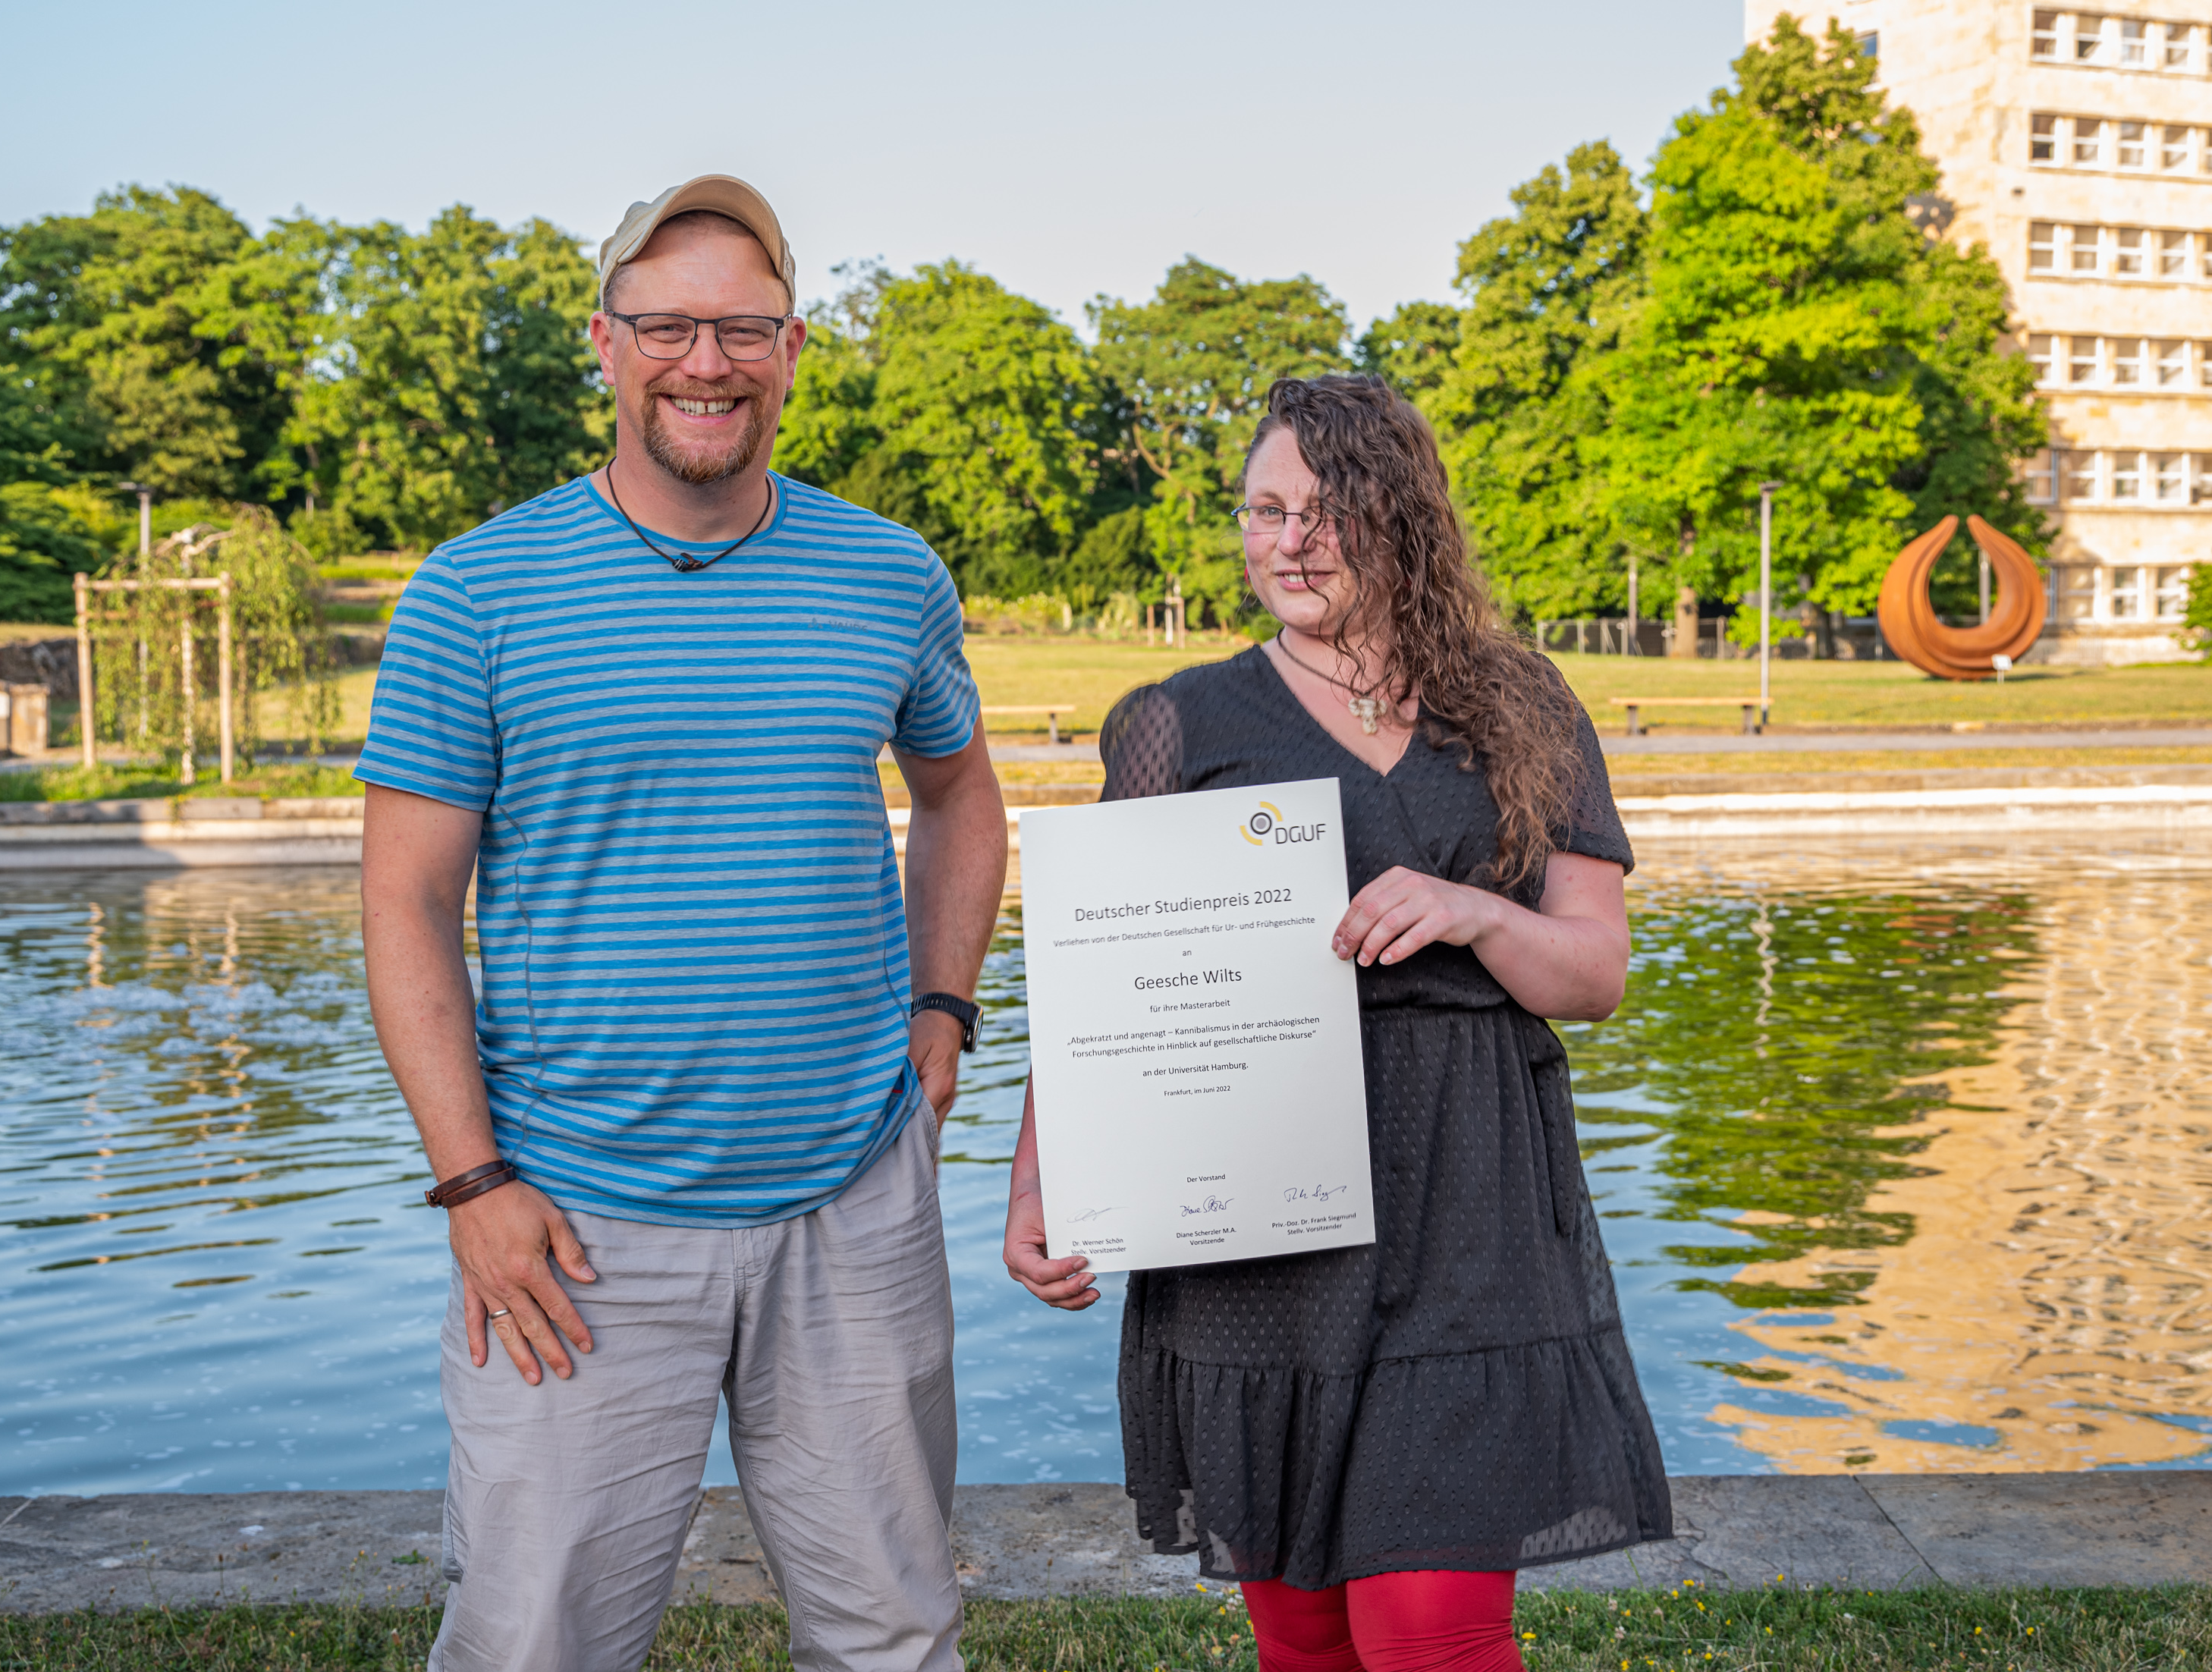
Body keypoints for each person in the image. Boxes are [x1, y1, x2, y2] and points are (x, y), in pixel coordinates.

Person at [359, 174, 1007, 1672]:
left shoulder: (889, 572)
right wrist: (472, 1186)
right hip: (570, 1222)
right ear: (605, 342)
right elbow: (405, 902)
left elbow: (964, 800)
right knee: (535, 1643)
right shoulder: (478, 590)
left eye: (741, 328)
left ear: (791, 348)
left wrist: (944, 1007)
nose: (703, 361)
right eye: (667, 326)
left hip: (854, 1205)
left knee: (897, 1634)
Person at [1002, 375, 1670, 1672]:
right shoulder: (1176, 721)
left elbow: (1593, 974)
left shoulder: (1522, 706)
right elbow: (1106, 981)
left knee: (1432, 1638)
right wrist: (1045, 1179)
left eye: (1326, 509)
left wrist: (1471, 913)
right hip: (1256, 1216)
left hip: (1468, 1197)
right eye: (1264, 510)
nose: (1289, 541)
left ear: (1404, 517)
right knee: (1304, 1638)